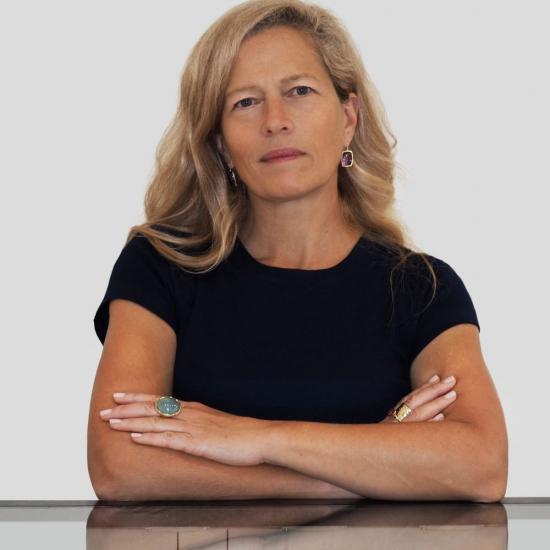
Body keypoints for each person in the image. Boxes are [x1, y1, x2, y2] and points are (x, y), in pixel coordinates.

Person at [88, 0, 508, 502]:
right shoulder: (161, 265)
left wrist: (256, 438)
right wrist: (350, 476)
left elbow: (481, 465)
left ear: (348, 117)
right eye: (245, 102)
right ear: (220, 144)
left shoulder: (421, 288)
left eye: (299, 91)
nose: (275, 121)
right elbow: (118, 465)